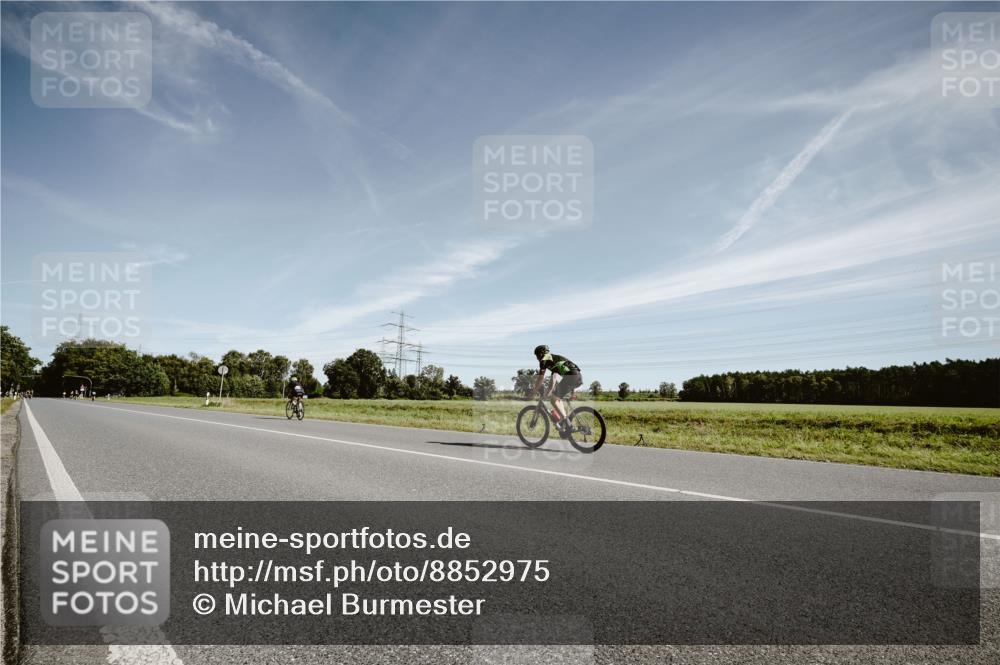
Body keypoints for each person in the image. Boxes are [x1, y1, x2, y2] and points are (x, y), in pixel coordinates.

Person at [531, 345, 582, 436]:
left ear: (541, 354)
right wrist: (548, 392)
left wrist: (534, 391)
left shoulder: (544, 360)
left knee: (553, 399)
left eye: (537, 356)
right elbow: (553, 380)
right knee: (556, 398)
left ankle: (567, 423)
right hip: (577, 376)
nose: (537, 358)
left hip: (571, 377)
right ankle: (564, 421)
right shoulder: (553, 360)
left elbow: (540, 378)